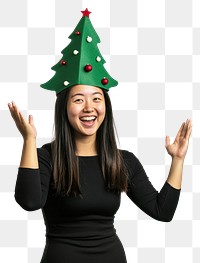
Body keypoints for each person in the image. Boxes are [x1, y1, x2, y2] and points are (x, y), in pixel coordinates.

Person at [8, 8, 192, 263]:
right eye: (78, 99)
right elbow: (29, 202)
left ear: (105, 106)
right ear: (64, 108)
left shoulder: (122, 161)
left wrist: (178, 161)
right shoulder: (46, 157)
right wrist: (29, 141)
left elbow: (163, 211)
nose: (89, 107)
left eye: (97, 99)